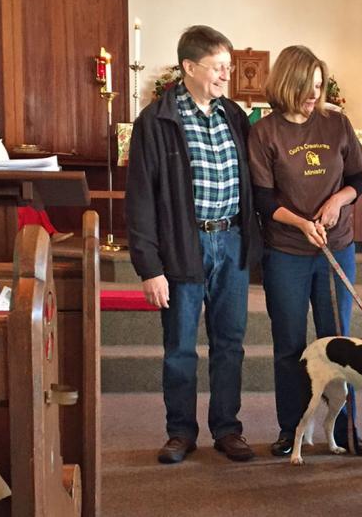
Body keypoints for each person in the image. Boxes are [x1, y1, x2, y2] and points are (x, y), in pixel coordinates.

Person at [125, 25, 261, 464]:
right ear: (189, 67)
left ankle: (227, 428)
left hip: (231, 241)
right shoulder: (157, 121)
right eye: (219, 67)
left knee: (230, 343)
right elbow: (141, 198)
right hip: (183, 247)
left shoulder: (234, 116)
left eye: (229, 66)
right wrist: (149, 266)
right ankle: (180, 432)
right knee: (181, 346)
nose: (227, 75)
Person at [247, 45, 362, 457]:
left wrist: (338, 201)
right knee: (290, 345)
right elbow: (263, 199)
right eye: (307, 87)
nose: (314, 95)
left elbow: (357, 178)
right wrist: (302, 223)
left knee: (339, 342)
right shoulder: (265, 132)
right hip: (286, 252)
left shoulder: (337, 124)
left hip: (336, 249)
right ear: (287, 83)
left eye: (319, 85)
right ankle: (293, 429)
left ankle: (347, 427)